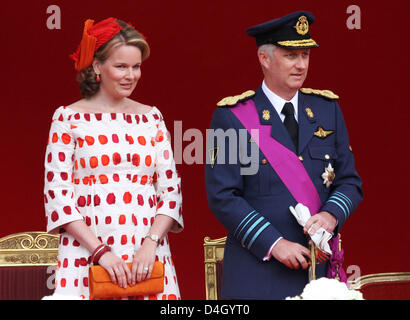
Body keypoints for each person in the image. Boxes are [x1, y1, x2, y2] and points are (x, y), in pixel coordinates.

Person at [205, 11, 363, 299]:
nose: (301, 65)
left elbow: (350, 181)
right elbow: (222, 196)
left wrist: (330, 215)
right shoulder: (232, 117)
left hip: (320, 271)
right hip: (258, 273)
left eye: (305, 56)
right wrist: (274, 243)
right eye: (291, 55)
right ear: (264, 59)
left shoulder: (328, 110)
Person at [43, 17, 183, 300]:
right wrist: (101, 252)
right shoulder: (67, 119)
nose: (130, 75)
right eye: (121, 66)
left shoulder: (152, 117)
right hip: (86, 255)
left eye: (136, 66)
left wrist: (150, 244)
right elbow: (58, 196)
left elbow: (171, 192)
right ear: (97, 67)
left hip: (148, 256)